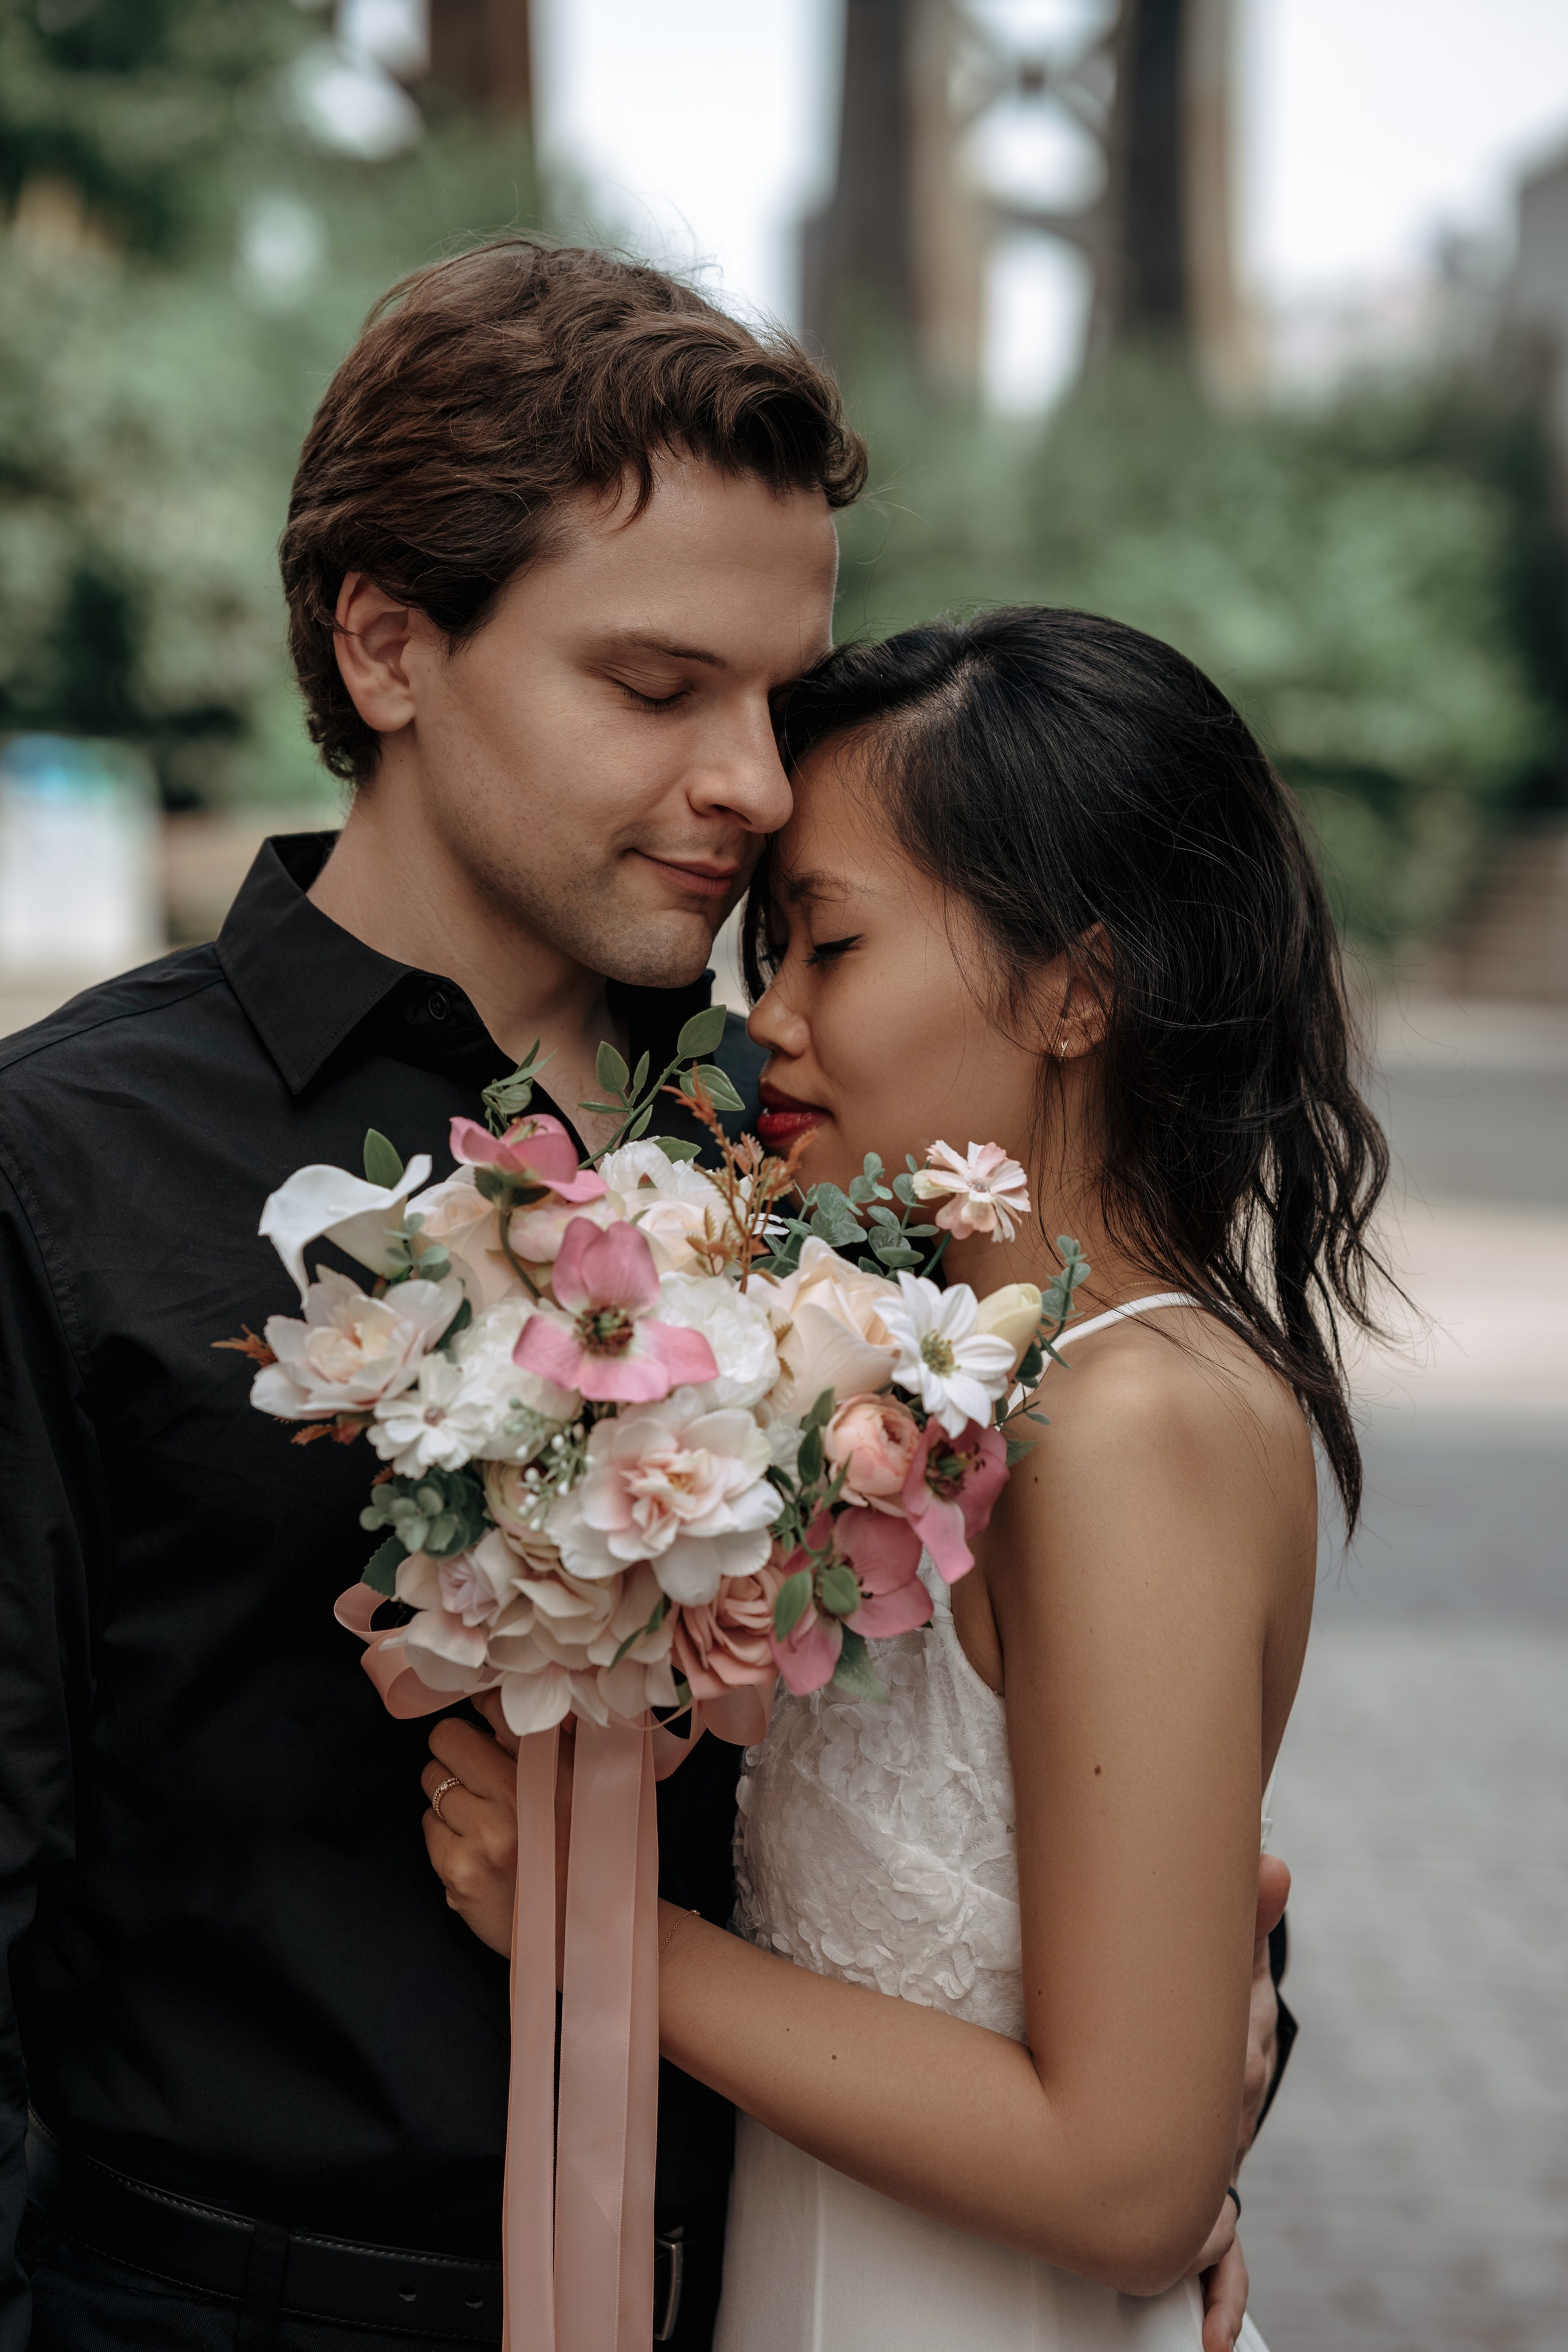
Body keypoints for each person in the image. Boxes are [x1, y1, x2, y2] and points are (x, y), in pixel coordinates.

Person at [0, 237, 859, 2352]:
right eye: (657, 689)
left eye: (783, 701)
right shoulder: (61, 1168)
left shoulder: (818, 1146)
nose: (756, 782)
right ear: (387, 646)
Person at [426, 608, 1387, 2349]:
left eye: (831, 945)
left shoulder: (1128, 1422)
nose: (770, 1023)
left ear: (1077, 989)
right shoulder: (959, 1378)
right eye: (770, 954)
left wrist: (591, 1929)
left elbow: (1128, 2185)